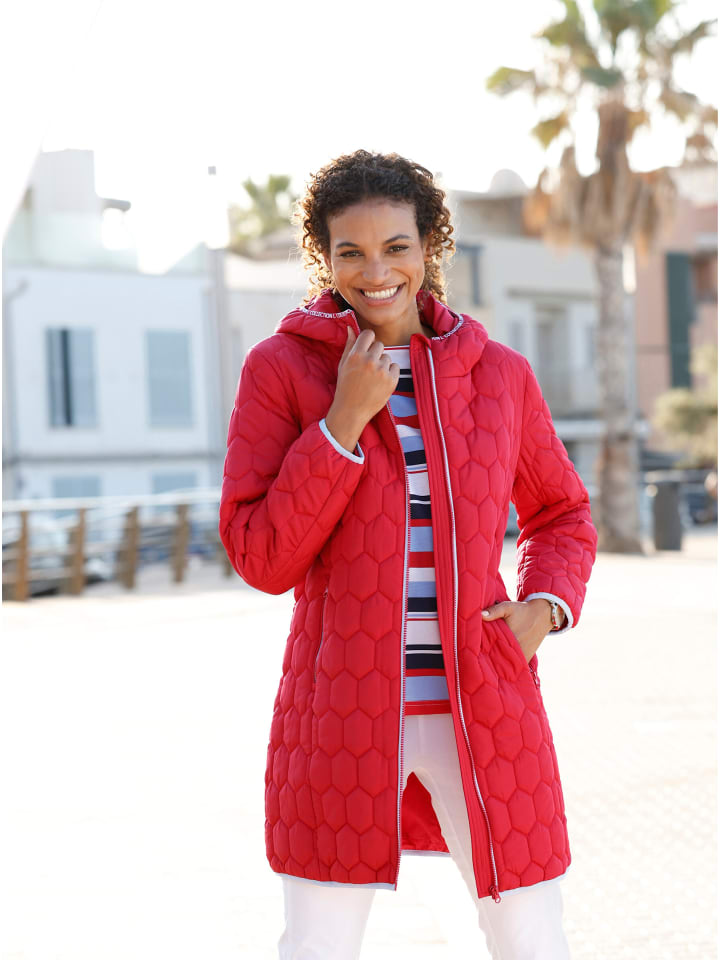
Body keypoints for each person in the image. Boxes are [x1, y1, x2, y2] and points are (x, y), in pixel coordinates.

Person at [219, 150, 598, 960]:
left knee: (532, 937)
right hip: (340, 712)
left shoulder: (499, 376)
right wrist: (341, 423)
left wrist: (545, 607)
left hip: (484, 701)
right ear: (323, 257)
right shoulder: (281, 371)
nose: (376, 271)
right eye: (350, 252)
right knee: (318, 946)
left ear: (429, 245)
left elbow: (562, 511)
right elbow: (261, 556)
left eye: (396, 246)